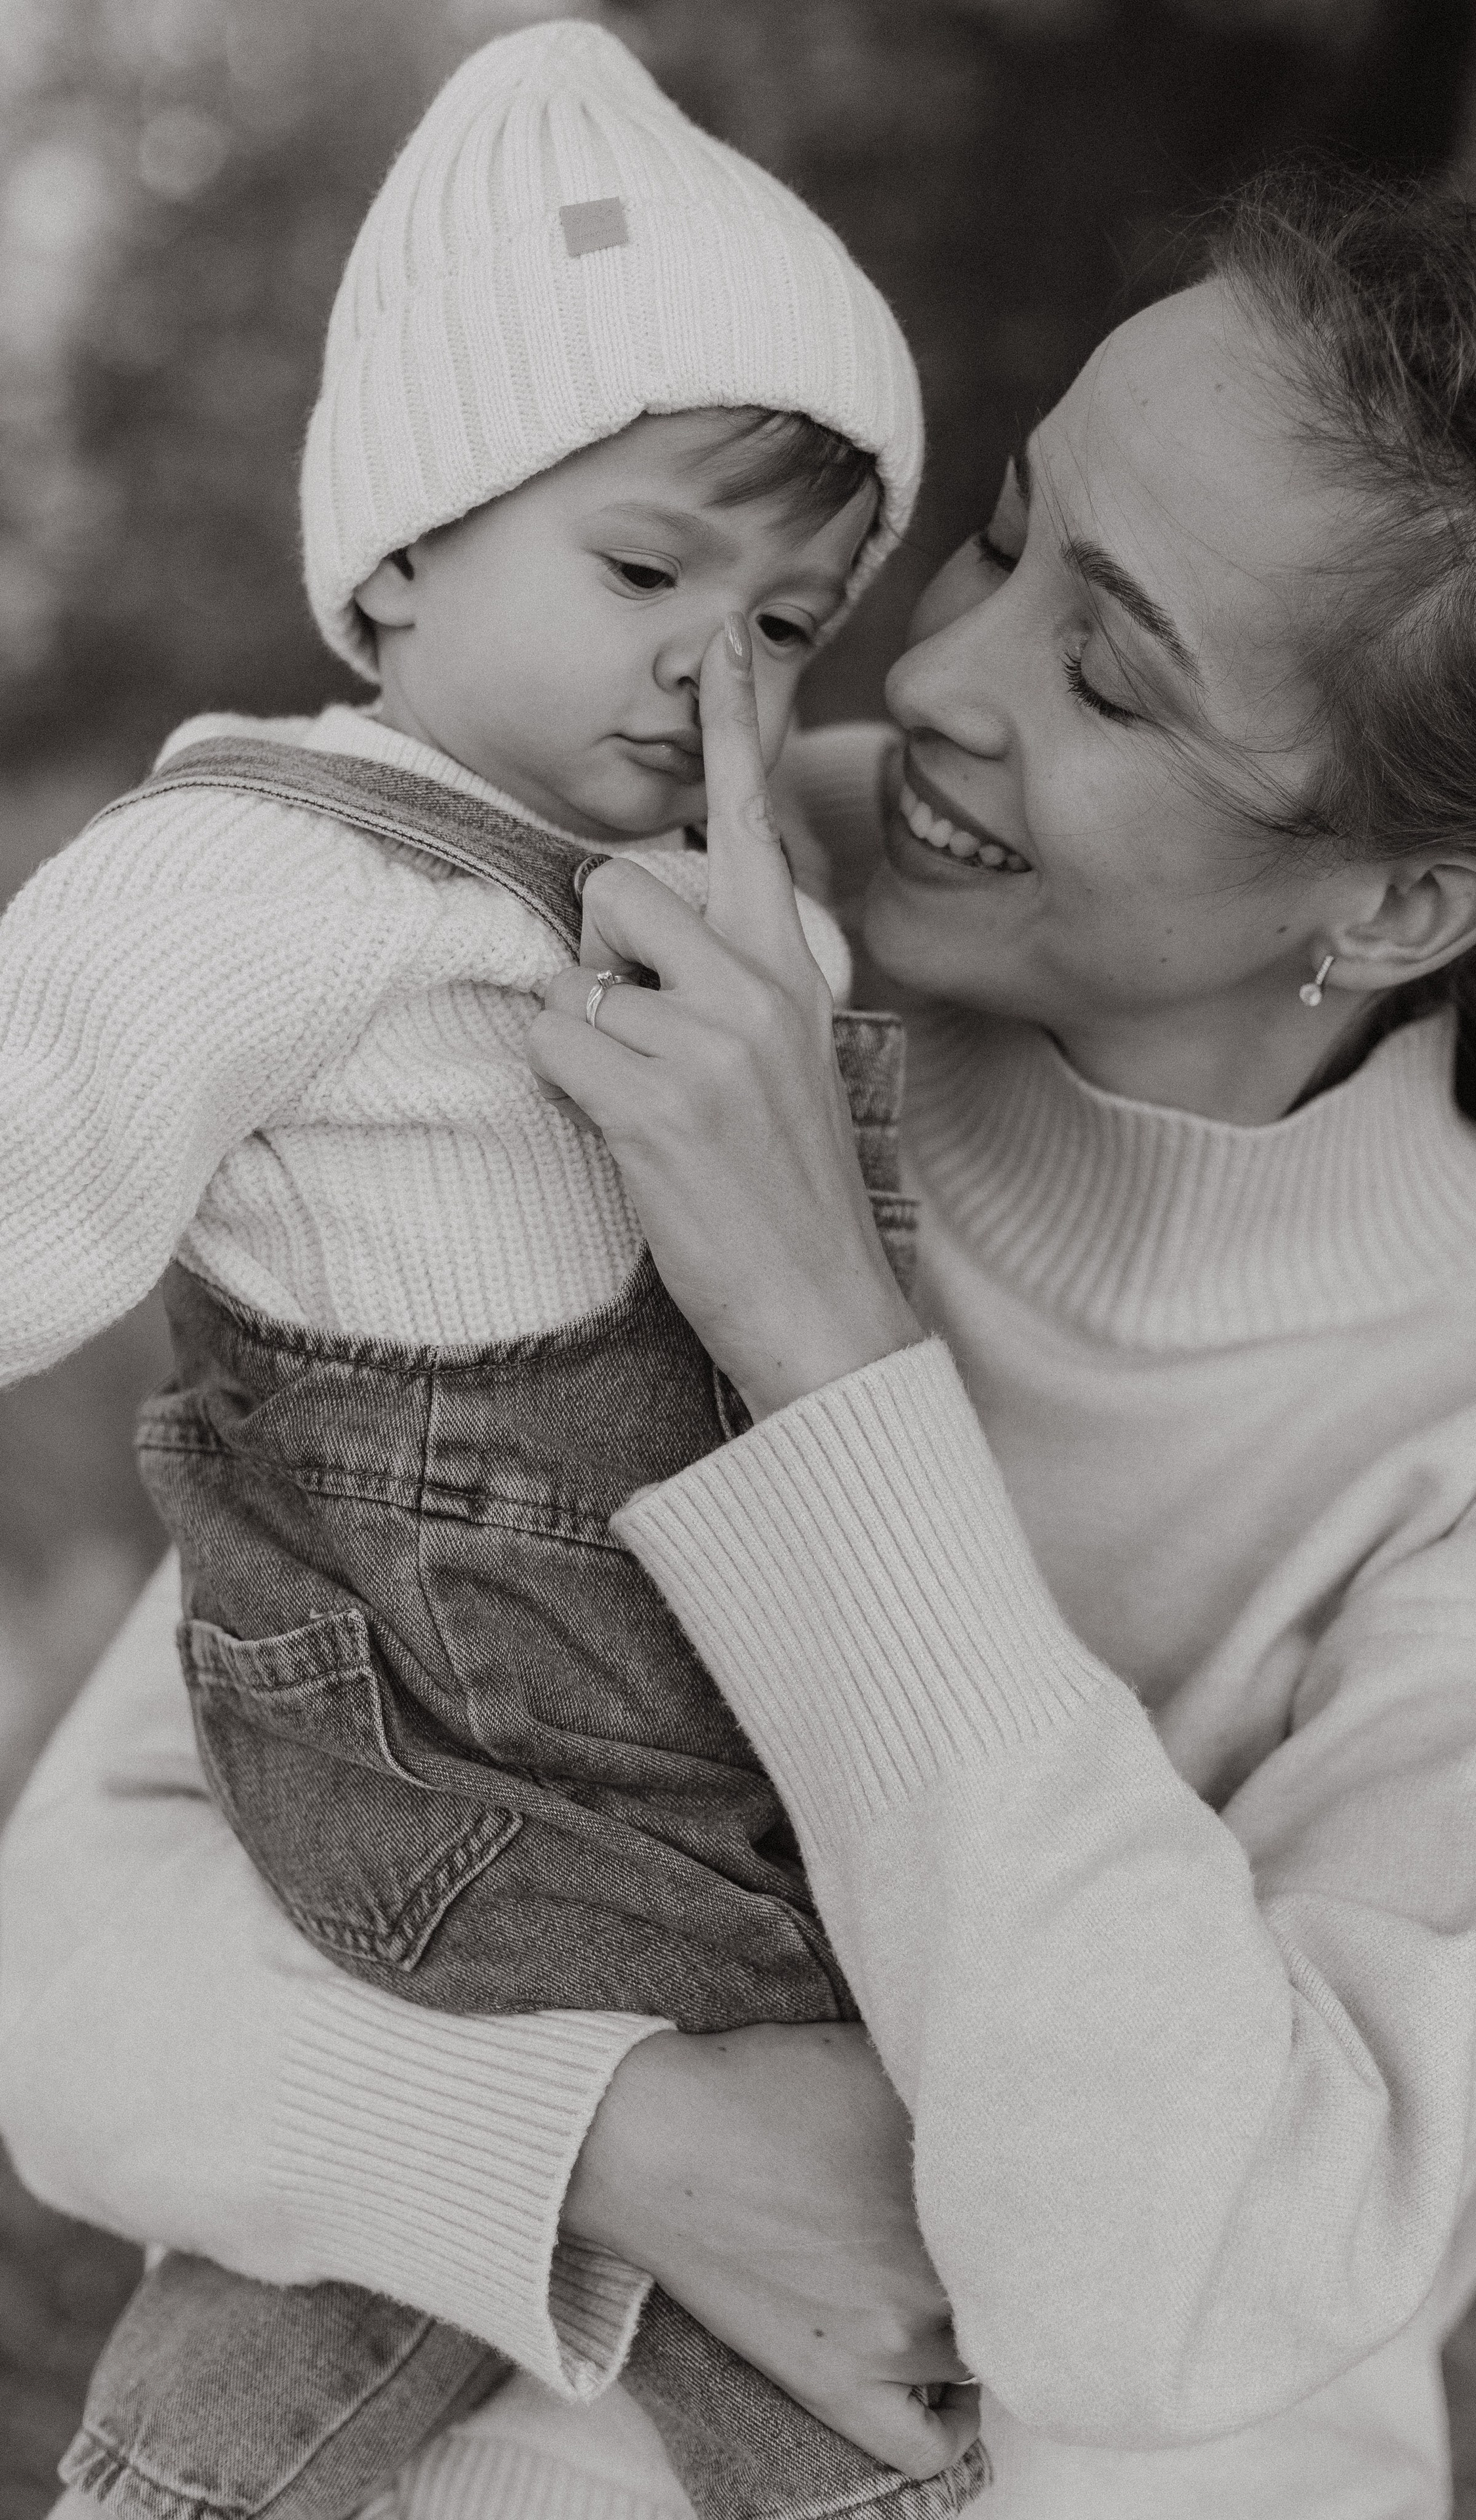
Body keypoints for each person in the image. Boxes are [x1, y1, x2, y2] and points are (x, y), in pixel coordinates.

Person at [9, 165, 1476, 2520]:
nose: (926, 678)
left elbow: (1181, 2277)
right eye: (998, 540)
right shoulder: (626, 929)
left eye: (1109, 674)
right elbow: (75, 1944)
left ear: (1399, 898)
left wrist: (824, 1353)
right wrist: (615, 2136)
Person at [0, 24, 966, 2520]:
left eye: (790, 622)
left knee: (410, 2259)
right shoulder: (267, 874)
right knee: (881, 2220)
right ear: (408, 548)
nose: (710, 671)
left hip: (639, 1693)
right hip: (443, 1725)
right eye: (647, 572)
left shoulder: (698, 897)